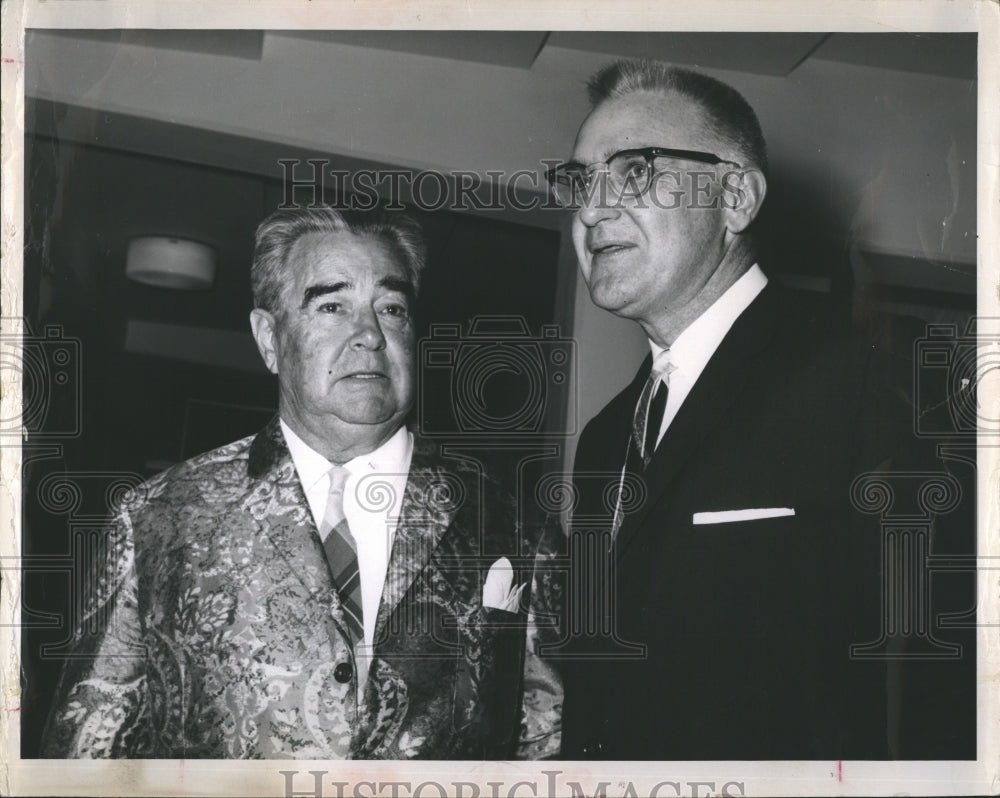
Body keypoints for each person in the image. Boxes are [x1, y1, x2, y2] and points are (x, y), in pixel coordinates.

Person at [545, 60, 974, 760]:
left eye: (633, 171)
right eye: (579, 182)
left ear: (736, 198)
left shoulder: (872, 374)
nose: (591, 209)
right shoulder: (604, 437)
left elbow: (950, 676)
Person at [42, 206, 555, 759]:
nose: (370, 335)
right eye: (332, 306)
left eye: (391, 308)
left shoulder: (513, 521)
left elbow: (549, 741)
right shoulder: (157, 519)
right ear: (269, 338)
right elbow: (86, 753)